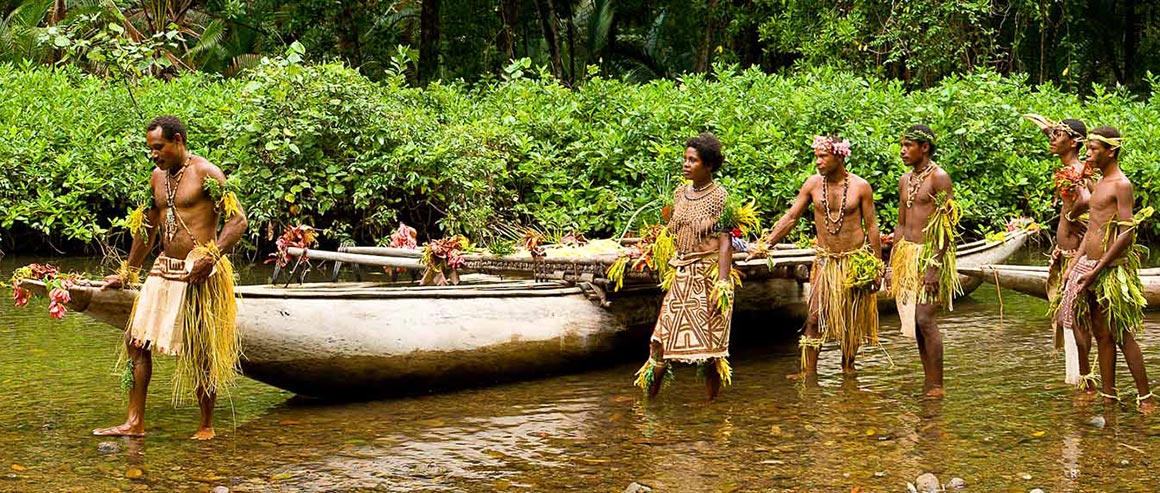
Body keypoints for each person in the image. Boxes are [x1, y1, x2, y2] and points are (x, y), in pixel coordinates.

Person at [94, 115, 249, 439]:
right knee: (135, 341)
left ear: (178, 140)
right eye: (151, 149)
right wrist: (127, 272)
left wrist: (213, 255)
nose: (154, 154)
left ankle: (206, 426)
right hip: (164, 269)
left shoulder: (206, 173)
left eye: (159, 147)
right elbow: (147, 230)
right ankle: (135, 423)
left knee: (201, 348)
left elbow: (238, 221)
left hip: (198, 272)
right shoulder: (156, 178)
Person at [753, 135, 882, 376]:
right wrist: (766, 244)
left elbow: (871, 226)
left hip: (853, 261)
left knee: (850, 320)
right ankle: (808, 373)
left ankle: (848, 369)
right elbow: (792, 217)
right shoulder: (812, 184)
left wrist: (876, 265)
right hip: (825, 261)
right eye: (816, 157)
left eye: (823, 156)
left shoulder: (860, 186)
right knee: (814, 318)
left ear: (839, 156)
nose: (818, 162)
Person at [634, 132, 747, 401]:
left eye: (692, 160)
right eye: (685, 159)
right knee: (659, 342)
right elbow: (672, 230)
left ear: (708, 165)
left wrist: (722, 283)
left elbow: (725, 242)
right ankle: (649, 405)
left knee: (709, 352)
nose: (685, 164)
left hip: (708, 277)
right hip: (682, 274)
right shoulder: (679, 193)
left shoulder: (721, 197)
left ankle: (713, 407)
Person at [1056, 126, 1153, 412]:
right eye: (1087, 148)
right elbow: (1092, 231)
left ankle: (1145, 398)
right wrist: (1073, 266)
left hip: (1111, 270)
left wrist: (1097, 268)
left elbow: (1127, 233)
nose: (1088, 153)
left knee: (1121, 333)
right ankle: (1109, 396)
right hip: (1088, 266)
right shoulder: (1098, 183)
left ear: (1111, 151)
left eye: (1094, 149)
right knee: (1101, 334)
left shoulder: (1121, 185)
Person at [890, 124, 959, 398]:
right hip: (908, 255)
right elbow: (900, 223)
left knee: (925, 318)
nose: (903, 151)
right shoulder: (905, 180)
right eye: (902, 145)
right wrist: (891, 263)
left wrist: (934, 266)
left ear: (925, 147)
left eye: (909, 145)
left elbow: (947, 224)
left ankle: (937, 384)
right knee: (915, 323)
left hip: (931, 254)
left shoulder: (939, 178)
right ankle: (928, 381)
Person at [1025, 115, 1093, 387]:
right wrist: (1048, 130)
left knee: (1076, 320)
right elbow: (1063, 145)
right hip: (1066, 255)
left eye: (1058, 134)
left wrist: (1071, 216)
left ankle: (1086, 382)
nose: (1052, 138)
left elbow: (1087, 199)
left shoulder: (1075, 171)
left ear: (1074, 142)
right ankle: (1081, 381)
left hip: (1076, 255)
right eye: (1052, 134)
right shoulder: (1073, 166)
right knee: (1072, 320)